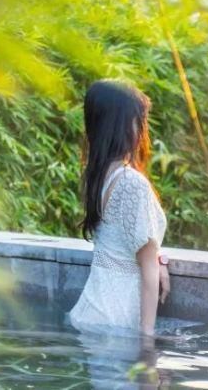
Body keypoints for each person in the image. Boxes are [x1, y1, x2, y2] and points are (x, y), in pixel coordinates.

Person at [68, 80, 170, 336]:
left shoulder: (99, 176)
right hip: (117, 321)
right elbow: (147, 269)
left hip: (92, 313)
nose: (141, 130)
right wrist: (147, 340)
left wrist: (158, 257)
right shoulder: (131, 183)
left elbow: (127, 245)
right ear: (123, 126)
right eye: (138, 121)